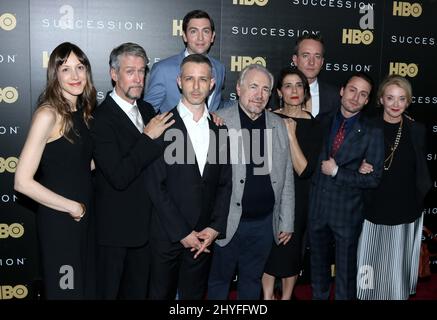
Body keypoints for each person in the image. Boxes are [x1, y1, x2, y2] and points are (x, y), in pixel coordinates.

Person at [91, 42, 174, 299]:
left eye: (142, 71)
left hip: (147, 231)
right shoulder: (100, 118)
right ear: (114, 74)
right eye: (130, 71)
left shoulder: (148, 110)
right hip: (115, 233)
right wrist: (147, 138)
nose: (138, 79)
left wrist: (213, 117)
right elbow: (119, 176)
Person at [145, 54, 232, 300]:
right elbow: (155, 185)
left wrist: (215, 227)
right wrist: (182, 233)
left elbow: (225, 183)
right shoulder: (162, 125)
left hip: (204, 237)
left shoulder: (220, 129)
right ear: (179, 82)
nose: (196, 86)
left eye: (202, 79)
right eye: (189, 79)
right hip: (167, 236)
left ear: (212, 84)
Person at [14, 42, 96, 299]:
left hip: (84, 220)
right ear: (55, 75)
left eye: (80, 67)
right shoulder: (48, 114)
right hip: (61, 222)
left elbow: (78, 163)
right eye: (66, 69)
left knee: (83, 291)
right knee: (66, 292)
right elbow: (22, 182)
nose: (75, 76)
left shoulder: (82, 111)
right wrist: (73, 207)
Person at [207, 64, 295, 300]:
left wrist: (286, 219)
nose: (259, 94)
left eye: (265, 89)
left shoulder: (278, 125)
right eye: (253, 86)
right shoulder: (219, 122)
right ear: (239, 88)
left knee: (252, 280)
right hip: (227, 223)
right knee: (219, 281)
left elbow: (286, 176)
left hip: (264, 224)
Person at [308, 72, 384, 300]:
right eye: (352, 90)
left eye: (363, 94)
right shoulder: (320, 121)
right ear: (342, 90)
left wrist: (339, 172)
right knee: (318, 270)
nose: (355, 97)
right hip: (317, 209)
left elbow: (373, 179)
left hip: (347, 213)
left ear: (367, 100)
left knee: (345, 275)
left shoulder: (373, 132)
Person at [356, 75, 432, 300]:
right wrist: (358, 165)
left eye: (401, 99)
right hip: (373, 207)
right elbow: (350, 159)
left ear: (408, 102)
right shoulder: (367, 126)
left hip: (406, 208)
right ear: (381, 99)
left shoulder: (416, 130)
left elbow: (421, 169)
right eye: (390, 98)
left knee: (397, 268)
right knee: (369, 261)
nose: (396, 104)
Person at [262, 67, 322, 300]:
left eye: (299, 86)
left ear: (305, 91)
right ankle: (267, 296)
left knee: (290, 249)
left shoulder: (314, 125)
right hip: (269, 192)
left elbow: (304, 169)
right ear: (279, 91)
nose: (294, 91)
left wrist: (290, 135)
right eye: (288, 86)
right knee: (268, 247)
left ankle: (286, 297)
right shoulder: (267, 118)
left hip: (299, 196)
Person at [144, 9, 225, 113]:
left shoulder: (219, 68)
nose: (200, 38)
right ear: (185, 36)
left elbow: (217, 105)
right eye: (193, 31)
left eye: (205, 31)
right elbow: (147, 112)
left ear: (212, 37)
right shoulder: (163, 69)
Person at [292, 33, 339, 119]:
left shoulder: (335, 96)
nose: (311, 62)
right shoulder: (277, 94)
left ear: (322, 62)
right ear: (295, 60)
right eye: (305, 55)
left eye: (317, 56)